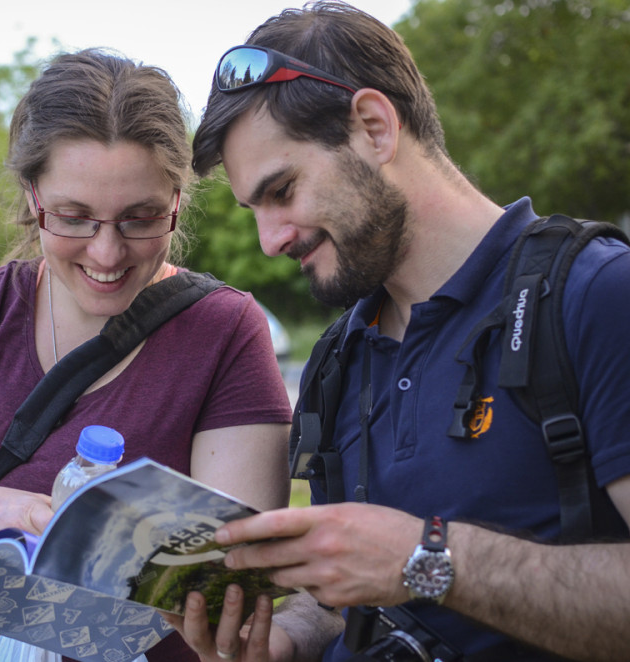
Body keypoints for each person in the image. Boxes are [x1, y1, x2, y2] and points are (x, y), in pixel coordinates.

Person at [168, 3, 630, 662]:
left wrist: (427, 559)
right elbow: (341, 605)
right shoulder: (336, 361)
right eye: (253, 210)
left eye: (282, 191)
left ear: (373, 127)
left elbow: (404, 565)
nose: (270, 241)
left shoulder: (598, 295)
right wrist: (286, 641)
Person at [0, 48, 294, 662]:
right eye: (74, 218)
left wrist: (84, 564)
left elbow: (231, 599)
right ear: (33, 198)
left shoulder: (225, 332)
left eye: (141, 218)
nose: (106, 253)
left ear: (177, 202)